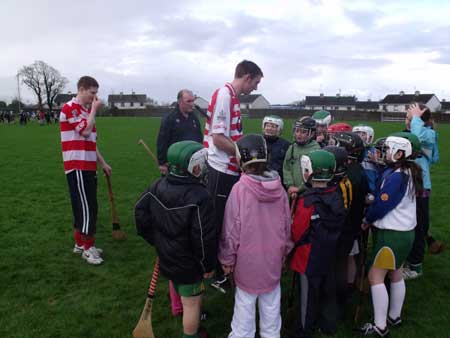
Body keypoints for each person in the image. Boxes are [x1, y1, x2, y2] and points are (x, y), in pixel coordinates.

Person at [135, 141, 216, 338]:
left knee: (179, 287)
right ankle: (190, 335)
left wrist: (156, 240)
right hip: (189, 264)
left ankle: (183, 317)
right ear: (192, 166)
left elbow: (139, 211)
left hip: (167, 257)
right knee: (192, 303)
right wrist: (207, 266)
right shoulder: (201, 197)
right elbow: (204, 238)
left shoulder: (157, 185)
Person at [218, 134, 293, 338]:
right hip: (273, 260)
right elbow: (287, 225)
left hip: (247, 262)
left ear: (242, 159)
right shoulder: (280, 189)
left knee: (244, 308)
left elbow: (231, 228)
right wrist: (285, 251)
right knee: (271, 309)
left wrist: (227, 257)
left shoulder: (240, 189)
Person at [203, 60, 263, 292]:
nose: (255, 88)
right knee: (218, 222)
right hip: (221, 169)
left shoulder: (232, 97)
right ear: (247, 77)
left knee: (229, 221)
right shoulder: (225, 96)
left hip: (230, 169)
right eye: (256, 82)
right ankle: (214, 271)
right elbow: (218, 138)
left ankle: (222, 268)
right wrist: (244, 157)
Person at [359, 135, 423, 337]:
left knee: (375, 276)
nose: (384, 153)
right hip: (406, 234)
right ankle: (394, 316)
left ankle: (380, 326)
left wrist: (367, 218)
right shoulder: (408, 171)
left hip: (392, 234)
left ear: (400, 153)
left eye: (388, 149)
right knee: (395, 273)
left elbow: (383, 204)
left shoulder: (397, 176)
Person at [287, 150, 347, 338]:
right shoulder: (336, 193)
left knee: (307, 294)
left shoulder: (308, 202)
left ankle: (304, 328)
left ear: (310, 172)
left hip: (307, 256)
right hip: (328, 251)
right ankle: (327, 323)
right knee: (325, 288)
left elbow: (297, 232)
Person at [60, 76, 111, 265]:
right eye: (92, 93)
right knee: (87, 206)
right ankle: (87, 248)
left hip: (88, 165)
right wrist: (94, 111)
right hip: (77, 165)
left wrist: (103, 163)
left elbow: (90, 142)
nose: (95, 97)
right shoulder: (70, 108)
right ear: (81, 89)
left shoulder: (84, 110)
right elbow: (85, 131)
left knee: (85, 205)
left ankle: (80, 243)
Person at [403, 103, 443, 279]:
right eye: (407, 118)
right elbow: (434, 157)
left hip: (420, 188)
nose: (408, 122)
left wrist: (417, 119)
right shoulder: (416, 133)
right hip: (405, 185)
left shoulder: (426, 133)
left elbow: (420, 137)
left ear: (420, 120)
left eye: (411, 118)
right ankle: (406, 258)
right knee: (406, 224)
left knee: (418, 227)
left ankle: (415, 267)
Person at [157, 89, 203, 175]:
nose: (192, 104)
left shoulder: (194, 118)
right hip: (175, 163)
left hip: (192, 162)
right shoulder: (170, 119)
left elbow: (199, 138)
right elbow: (162, 141)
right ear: (179, 102)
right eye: (188, 101)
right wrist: (162, 163)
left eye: (193, 100)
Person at [283, 116, 320, 200]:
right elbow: (286, 168)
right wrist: (290, 185)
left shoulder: (316, 150)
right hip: (292, 193)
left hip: (308, 194)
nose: (299, 134)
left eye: (303, 132)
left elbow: (314, 175)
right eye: (297, 131)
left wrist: (299, 189)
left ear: (312, 134)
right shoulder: (292, 148)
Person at [261, 115, 290, 183]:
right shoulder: (258, 141)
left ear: (279, 129)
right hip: (260, 179)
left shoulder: (286, 145)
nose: (269, 128)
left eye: (273, 126)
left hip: (278, 180)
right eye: (267, 125)